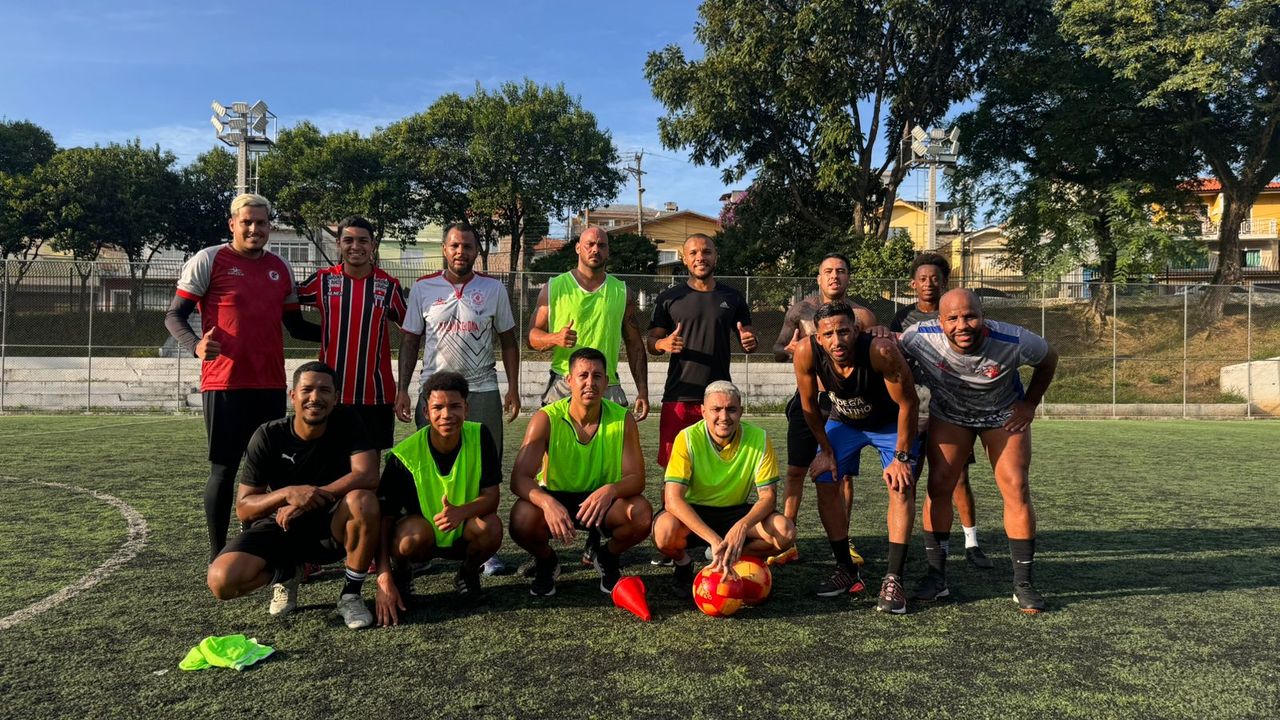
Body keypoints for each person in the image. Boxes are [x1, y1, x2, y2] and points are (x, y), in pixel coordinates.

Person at [165, 192, 320, 561]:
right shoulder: (209, 259)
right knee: (224, 470)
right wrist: (196, 346)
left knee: (272, 473)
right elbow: (174, 315)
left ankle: (269, 550)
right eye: (247, 222)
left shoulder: (280, 267)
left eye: (261, 223)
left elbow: (296, 326)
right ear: (232, 224)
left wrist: (346, 331)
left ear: (269, 226)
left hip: (269, 385)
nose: (254, 229)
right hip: (225, 385)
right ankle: (218, 554)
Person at [899, 288, 1059, 614]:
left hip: (1001, 415)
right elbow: (884, 351)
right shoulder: (918, 336)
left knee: (1016, 485)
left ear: (983, 316)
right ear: (939, 321)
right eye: (952, 319)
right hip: (950, 416)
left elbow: (1049, 358)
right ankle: (936, 576)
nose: (962, 325)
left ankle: (1023, 583)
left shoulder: (1014, 340)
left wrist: (1029, 404)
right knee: (939, 485)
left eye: (970, 316)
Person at [205, 362, 380, 630]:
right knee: (222, 581)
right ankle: (287, 572)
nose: (315, 397)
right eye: (307, 390)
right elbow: (244, 508)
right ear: (293, 395)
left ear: (336, 397)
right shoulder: (269, 434)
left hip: (331, 527)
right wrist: (287, 494)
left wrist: (311, 498)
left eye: (324, 390)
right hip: (283, 525)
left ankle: (351, 594)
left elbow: (368, 475)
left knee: (363, 501)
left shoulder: (348, 421)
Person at [395, 222, 519, 575]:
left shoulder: (493, 289)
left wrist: (512, 387)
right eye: (454, 245)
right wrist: (403, 389)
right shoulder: (423, 288)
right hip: (434, 394)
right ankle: (425, 545)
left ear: (477, 251)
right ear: (444, 249)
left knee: (484, 469)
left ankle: (484, 550)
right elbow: (409, 341)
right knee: (430, 471)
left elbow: (509, 340)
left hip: (482, 389)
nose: (460, 251)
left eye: (467, 246)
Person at [527, 225, 650, 567]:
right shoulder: (554, 287)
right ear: (578, 249)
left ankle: (596, 543)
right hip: (563, 385)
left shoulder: (621, 291)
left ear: (608, 251)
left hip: (607, 385)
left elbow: (634, 342)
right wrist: (554, 339)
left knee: (612, 471)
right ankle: (546, 548)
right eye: (590, 244)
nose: (596, 249)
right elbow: (532, 336)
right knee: (549, 471)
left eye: (602, 245)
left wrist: (642, 389)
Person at [793, 302, 920, 613]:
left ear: (857, 330)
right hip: (845, 422)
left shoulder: (880, 351)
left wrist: (901, 457)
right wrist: (825, 450)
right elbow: (809, 406)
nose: (837, 341)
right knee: (824, 478)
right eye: (828, 334)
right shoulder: (806, 352)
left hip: (889, 424)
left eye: (844, 331)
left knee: (900, 484)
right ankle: (845, 569)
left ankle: (894, 578)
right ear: (818, 338)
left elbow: (909, 403)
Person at [508, 348, 652, 597]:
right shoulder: (546, 418)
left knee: (640, 514)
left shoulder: (622, 418)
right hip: (556, 496)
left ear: (606, 382)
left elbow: (637, 478)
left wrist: (611, 490)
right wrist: (547, 503)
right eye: (583, 375)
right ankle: (547, 561)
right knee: (521, 518)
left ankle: (607, 557)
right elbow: (519, 478)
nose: (590, 383)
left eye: (597, 376)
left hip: (601, 501)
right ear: (569, 380)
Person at [772, 253, 881, 566]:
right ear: (818, 278)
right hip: (808, 400)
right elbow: (778, 349)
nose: (835, 276)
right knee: (795, 470)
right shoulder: (800, 310)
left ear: (849, 277)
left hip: (843, 404)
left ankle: (844, 542)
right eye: (828, 271)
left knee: (841, 475)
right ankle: (786, 541)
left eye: (841, 271)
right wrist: (789, 350)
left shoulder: (862, 315)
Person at [373, 371, 503, 626]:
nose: (447, 414)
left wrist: (460, 512)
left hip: (463, 531)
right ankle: (402, 575)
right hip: (422, 540)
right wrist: (383, 576)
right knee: (410, 535)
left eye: (455, 406)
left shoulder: (480, 435)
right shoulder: (404, 455)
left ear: (466, 408)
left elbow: (492, 498)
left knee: (492, 527)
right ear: (425, 411)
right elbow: (385, 519)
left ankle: (467, 574)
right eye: (438, 407)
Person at [889, 253, 993, 569]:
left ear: (945, 282)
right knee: (908, 478)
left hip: (951, 410)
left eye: (935, 278)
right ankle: (913, 546)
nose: (929, 284)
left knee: (958, 478)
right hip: (916, 410)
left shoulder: (957, 316)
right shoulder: (902, 318)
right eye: (923, 279)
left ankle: (972, 542)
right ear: (913, 284)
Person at [652, 381, 795, 598]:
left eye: (731, 409)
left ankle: (728, 557)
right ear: (703, 411)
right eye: (716, 409)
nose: (724, 416)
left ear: (741, 411)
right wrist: (713, 538)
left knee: (785, 531)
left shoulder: (760, 438)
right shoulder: (687, 438)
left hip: (736, 512)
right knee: (663, 532)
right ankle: (684, 563)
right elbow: (672, 500)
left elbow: (768, 497)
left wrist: (741, 527)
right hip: (695, 511)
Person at [296, 216, 407, 453]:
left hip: (376, 394)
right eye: (348, 240)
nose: (355, 246)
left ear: (373, 245)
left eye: (363, 241)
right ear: (338, 243)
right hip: (330, 394)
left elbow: (411, 329)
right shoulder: (323, 280)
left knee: (369, 466)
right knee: (329, 462)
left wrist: (403, 388)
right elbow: (282, 299)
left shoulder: (389, 286)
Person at [647, 233, 757, 467]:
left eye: (707, 252)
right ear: (685, 259)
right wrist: (662, 344)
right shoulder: (668, 298)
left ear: (716, 257)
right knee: (674, 467)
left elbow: (748, 337)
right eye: (694, 253)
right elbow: (651, 342)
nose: (700, 257)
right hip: (679, 396)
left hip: (719, 399)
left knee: (717, 466)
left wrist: (749, 341)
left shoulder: (733, 297)